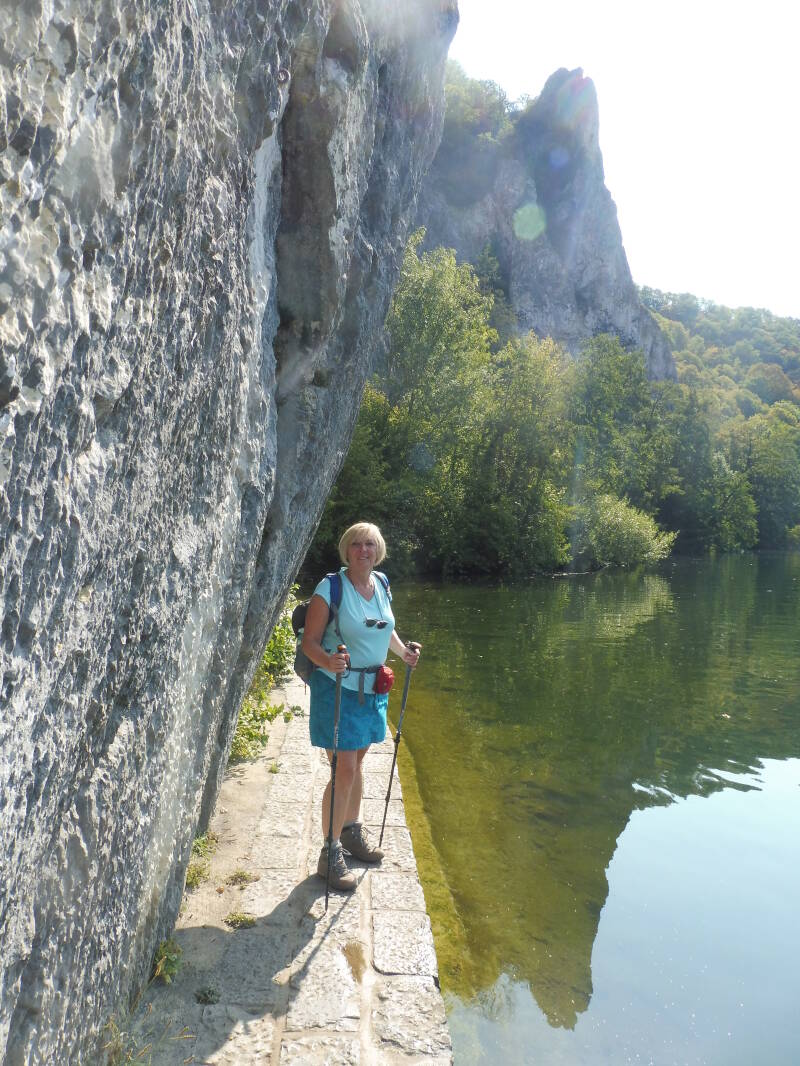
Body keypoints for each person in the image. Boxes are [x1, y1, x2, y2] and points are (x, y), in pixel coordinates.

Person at [301, 521, 421, 891]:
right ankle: (330, 851)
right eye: (356, 544)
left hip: (373, 690)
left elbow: (385, 629)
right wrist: (328, 661)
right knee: (345, 768)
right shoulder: (330, 588)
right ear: (346, 550)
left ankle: (350, 831)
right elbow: (309, 642)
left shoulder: (381, 583)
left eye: (370, 544)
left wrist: (402, 652)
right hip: (337, 688)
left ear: (378, 550)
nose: (363, 550)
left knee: (357, 763)